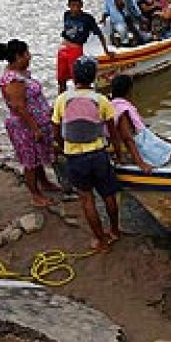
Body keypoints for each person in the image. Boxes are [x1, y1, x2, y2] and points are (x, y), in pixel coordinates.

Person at [51, 57, 123, 251]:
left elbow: (56, 131)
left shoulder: (62, 100)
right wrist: (118, 154)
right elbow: (112, 133)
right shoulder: (102, 100)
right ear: (94, 78)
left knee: (87, 199)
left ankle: (101, 241)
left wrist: (61, 147)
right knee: (108, 195)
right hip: (98, 154)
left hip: (75, 157)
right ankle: (115, 230)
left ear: (73, 77)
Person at [0, 38, 61, 208]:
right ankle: (35, 194)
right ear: (18, 56)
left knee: (38, 156)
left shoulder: (22, 74)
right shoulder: (13, 80)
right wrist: (34, 128)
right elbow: (19, 106)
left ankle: (44, 182)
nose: (30, 57)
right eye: (27, 54)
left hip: (36, 121)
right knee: (30, 161)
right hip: (24, 126)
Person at [108, 73, 171, 172]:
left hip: (143, 138)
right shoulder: (122, 110)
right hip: (140, 144)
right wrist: (141, 163)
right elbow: (128, 139)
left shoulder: (113, 105)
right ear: (129, 91)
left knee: (159, 138)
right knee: (167, 151)